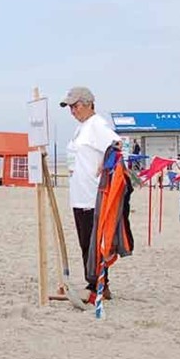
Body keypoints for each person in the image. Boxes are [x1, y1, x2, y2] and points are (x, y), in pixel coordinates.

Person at [62, 86, 121, 298]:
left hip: (92, 195)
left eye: (76, 106)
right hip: (79, 194)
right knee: (85, 242)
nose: (73, 111)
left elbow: (117, 145)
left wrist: (106, 166)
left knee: (94, 243)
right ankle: (94, 283)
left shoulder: (97, 125)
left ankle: (98, 284)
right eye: (70, 107)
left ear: (88, 103)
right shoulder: (82, 127)